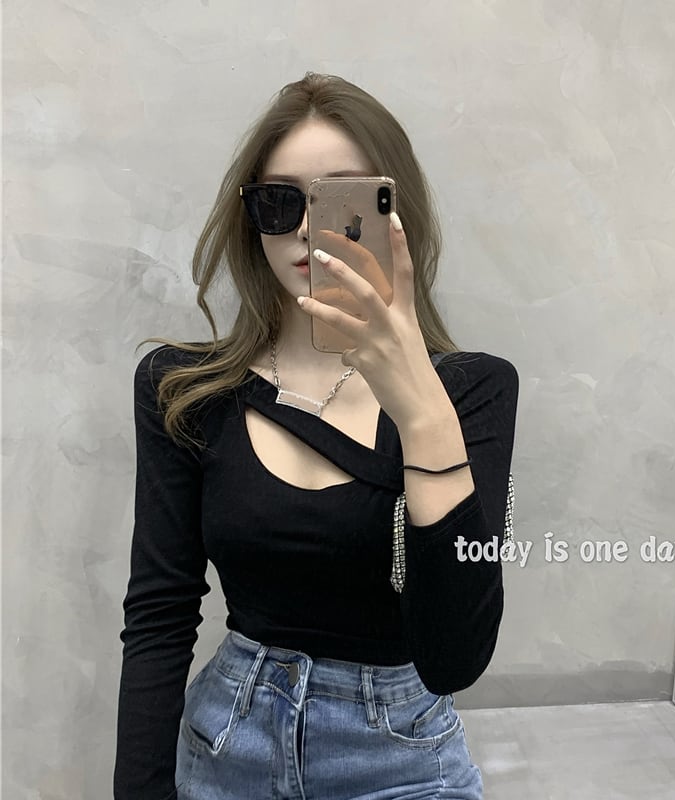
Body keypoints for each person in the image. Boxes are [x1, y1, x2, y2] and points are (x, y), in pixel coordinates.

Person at [113, 72, 518, 800]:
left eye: (343, 201)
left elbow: (455, 658)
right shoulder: (184, 391)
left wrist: (421, 411)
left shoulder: (473, 391)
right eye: (280, 201)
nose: (305, 227)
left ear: (397, 213)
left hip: (401, 762)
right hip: (226, 743)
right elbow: (159, 615)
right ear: (251, 218)